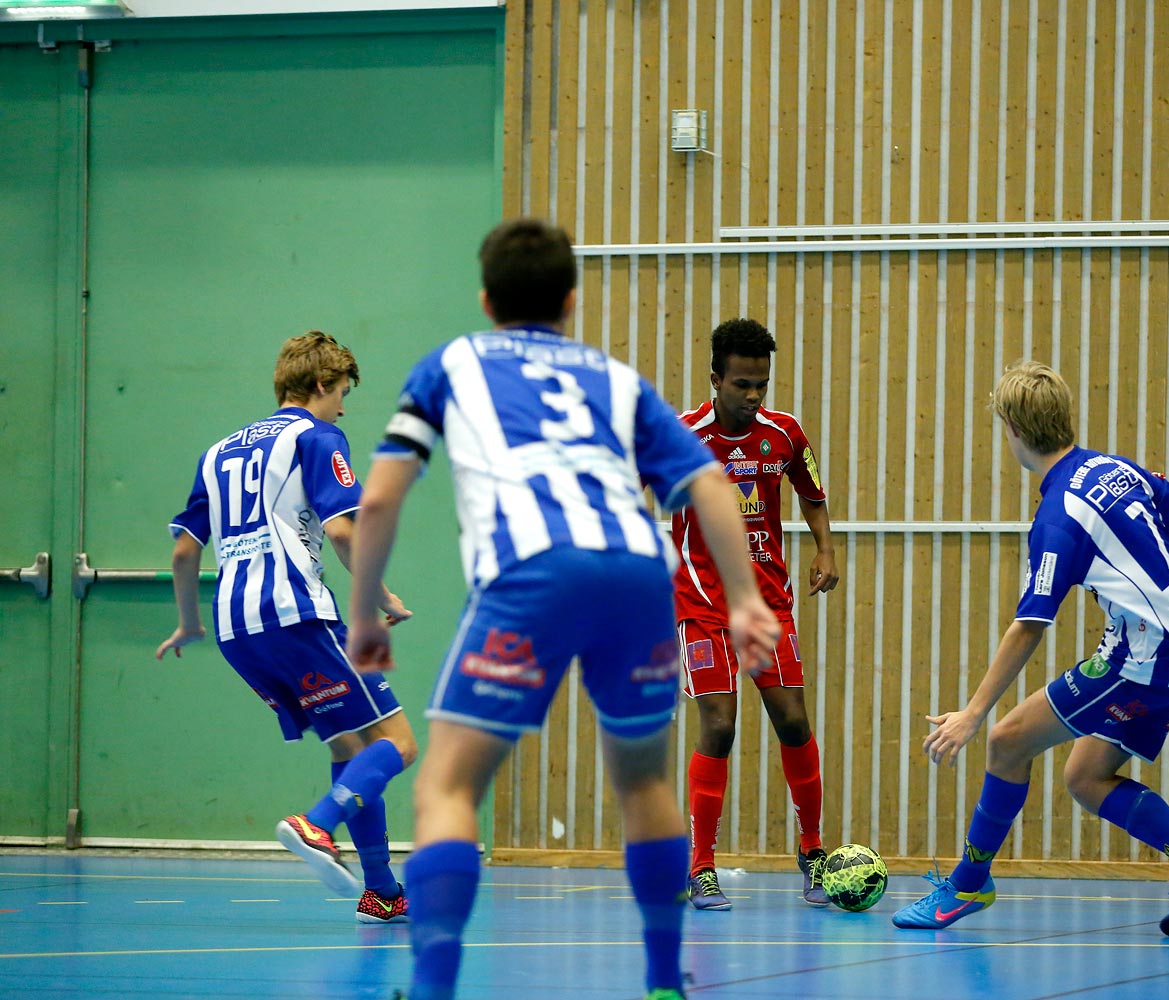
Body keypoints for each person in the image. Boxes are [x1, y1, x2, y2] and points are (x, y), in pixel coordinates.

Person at [344, 218, 781, 1000]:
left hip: (532, 570)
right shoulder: (616, 378)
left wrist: (365, 618)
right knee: (643, 783)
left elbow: (377, 500)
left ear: (484, 298)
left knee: (445, 788)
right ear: (572, 300)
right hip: (643, 574)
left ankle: (435, 986)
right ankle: (661, 983)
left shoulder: (453, 362)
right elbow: (709, 484)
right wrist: (745, 600)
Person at [894, 361, 1169, 936]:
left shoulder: (1058, 517)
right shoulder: (1113, 468)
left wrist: (972, 714)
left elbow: (1030, 625)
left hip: (1147, 658)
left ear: (1010, 428)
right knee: (1085, 777)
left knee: (1007, 740)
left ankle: (966, 885)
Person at [155, 331, 418, 924]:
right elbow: (346, 531)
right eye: (343, 391)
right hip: (296, 612)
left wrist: (188, 624)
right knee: (398, 744)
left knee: (351, 747)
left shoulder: (217, 452)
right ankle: (317, 824)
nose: (344, 406)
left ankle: (381, 892)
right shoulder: (319, 437)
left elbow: (182, 552)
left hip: (235, 629)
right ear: (321, 385)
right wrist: (383, 596)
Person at [672, 318, 841, 910]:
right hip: (701, 604)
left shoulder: (785, 434)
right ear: (715, 379)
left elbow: (812, 494)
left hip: (767, 603)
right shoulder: (680, 436)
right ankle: (701, 866)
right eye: (741, 384)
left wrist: (825, 546)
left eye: (761, 385)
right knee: (719, 724)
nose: (752, 396)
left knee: (793, 720)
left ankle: (814, 852)